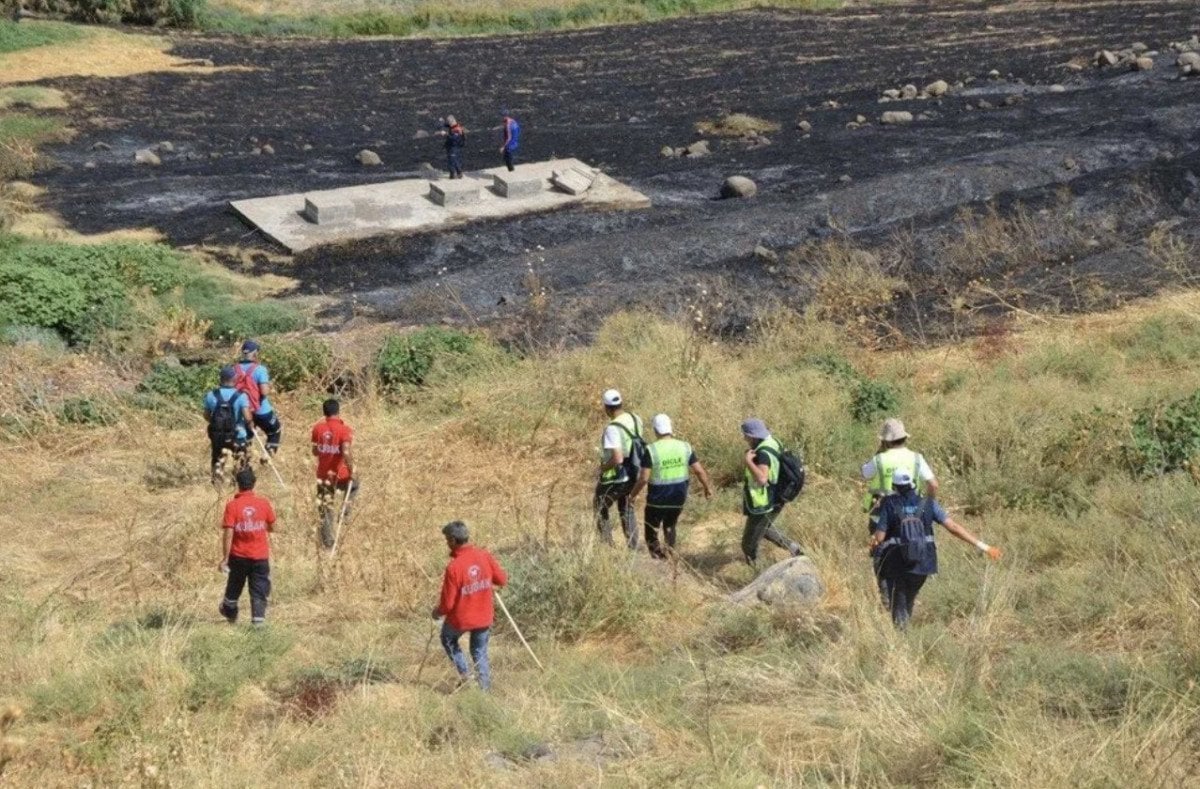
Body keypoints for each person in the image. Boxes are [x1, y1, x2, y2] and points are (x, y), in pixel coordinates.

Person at [869, 469, 1002, 628]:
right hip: (923, 564)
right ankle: (904, 629)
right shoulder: (928, 503)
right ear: (914, 484)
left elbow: (880, 537)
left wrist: (873, 544)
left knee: (897, 606)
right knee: (907, 600)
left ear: (894, 485)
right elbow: (953, 527)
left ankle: (901, 643)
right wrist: (984, 547)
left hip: (896, 564)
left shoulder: (890, 504)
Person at [432, 520, 507, 691]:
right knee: (479, 652)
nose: (446, 544)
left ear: (452, 540)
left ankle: (465, 676)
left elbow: (448, 604)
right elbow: (502, 579)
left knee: (448, 639)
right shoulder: (484, 556)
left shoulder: (454, 568)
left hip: (461, 619)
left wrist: (437, 612)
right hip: (484, 617)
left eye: (446, 540)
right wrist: (487, 582)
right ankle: (484, 691)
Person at [629, 413, 713, 559]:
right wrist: (707, 488)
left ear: (655, 430)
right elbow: (699, 470)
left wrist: (632, 496)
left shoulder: (651, 449)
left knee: (651, 531)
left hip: (657, 500)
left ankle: (659, 561)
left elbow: (643, 478)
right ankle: (671, 554)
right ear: (670, 428)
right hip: (678, 498)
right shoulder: (685, 446)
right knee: (670, 526)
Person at [218, 468, 277, 626]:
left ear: (238, 485)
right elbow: (272, 525)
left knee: (234, 585)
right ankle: (258, 623)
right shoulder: (263, 504)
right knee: (259, 589)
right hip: (260, 556)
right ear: (254, 484)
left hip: (239, 556)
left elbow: (228, 533)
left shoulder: (233, 506)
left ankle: (229, 611)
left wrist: (225, 558)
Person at [740, 418, 803, 565]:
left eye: (745, 435)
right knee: (765, 529)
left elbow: (762, 479)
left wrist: (748, 462)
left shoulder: (762, 453)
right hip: (779, 497)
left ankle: (757, 571)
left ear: (752, 436)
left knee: (747, 545)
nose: (744, 438)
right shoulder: (774, 442)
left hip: (765, 502)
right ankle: (795, 549)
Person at [862, 417, 938, 528]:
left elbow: (865, 474)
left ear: (885, 441)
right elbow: (934, 485)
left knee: (879, 544)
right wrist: (928, 506)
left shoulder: (879, 459)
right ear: (905, 438)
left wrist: (878, 452)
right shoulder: (917, 458)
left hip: (882, 515)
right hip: (911, 516)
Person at [595, 389, 645, 549]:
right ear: (621, 403)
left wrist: (602, 468)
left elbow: (618, 458)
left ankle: (607, 546)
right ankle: (634, 547)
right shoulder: (635, 418)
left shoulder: (613, 427)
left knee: (599, 505)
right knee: (626, 507)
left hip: (618, 476)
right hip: (635, 473)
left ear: (607, 407)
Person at [311, 398, 358, 549]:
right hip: (341, 474)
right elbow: (345, 451)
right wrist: (352, 469)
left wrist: (325, 449)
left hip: (323, 475)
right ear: (338, 412)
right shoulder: (345, 429)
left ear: (324, 413)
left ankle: (328, 542)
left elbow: (315, 450)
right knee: (355, 485)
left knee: (325, 507)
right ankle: (344, 514)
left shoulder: (318, 429)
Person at [234, 340, 282, 457]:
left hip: (243, 411)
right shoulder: (260, 369)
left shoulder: (234, 369)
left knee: (246, 437)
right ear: (255, 354)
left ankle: (244, 463)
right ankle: (266, 458)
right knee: (275, 431)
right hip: (261, 409)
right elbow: (264, 391)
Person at [204, 365, 253, 480]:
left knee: (217, 459)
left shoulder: (211, 395)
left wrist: (216, 423)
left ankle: (217, 481)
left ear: (221, 379)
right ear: (234, 378)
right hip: (238, 434)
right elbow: (247, 417)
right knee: (241, 459)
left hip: (218, 435)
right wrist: (251, 424)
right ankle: (239, 481)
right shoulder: (241, 396)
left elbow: (206, 415)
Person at [441, 115, 466, 179]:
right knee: (455, 160)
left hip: (454, 147)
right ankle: (459, 173)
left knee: (452, 161)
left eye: (449, 122)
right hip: (452, 146)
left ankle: (453, 174)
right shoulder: (454, 126)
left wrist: (446, 134)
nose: (448, 124)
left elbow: (454, 138)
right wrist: (442, 121)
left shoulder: (457, 129)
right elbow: (446, 125)